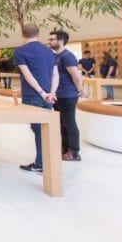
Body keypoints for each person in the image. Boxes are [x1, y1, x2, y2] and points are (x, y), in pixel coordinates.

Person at [14, 24, 59, 173]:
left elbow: (28, 75)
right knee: (44, 129)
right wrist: (51, 92)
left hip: (33, 95)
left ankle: (41, 164)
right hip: (48, 96)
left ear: (22, 35)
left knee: (38, 130)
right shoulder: (49, 51)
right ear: (38, 34)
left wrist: (42, 93)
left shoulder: (20, 51)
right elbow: (55, 74)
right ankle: (43, 162)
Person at [48, 30, 84, 162]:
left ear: (61, 41)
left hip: (68, 95)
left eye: (52, 39)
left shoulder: (67, 56)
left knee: (69, 123)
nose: (49, 42)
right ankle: (65, 148)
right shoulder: (55, 56)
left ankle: (74, 152)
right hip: (58, 95)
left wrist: (80, 90)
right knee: (61, 123)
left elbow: (76, 76)